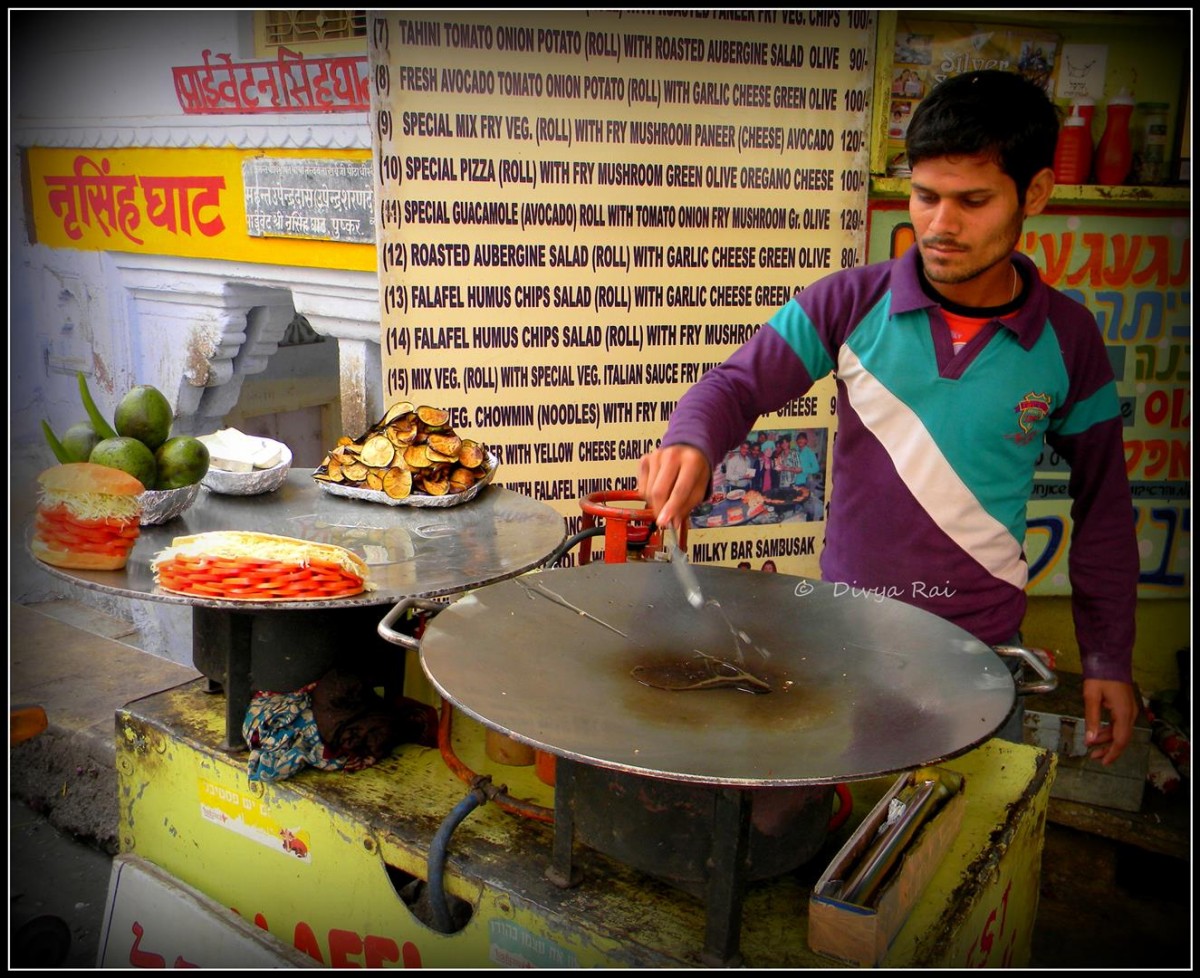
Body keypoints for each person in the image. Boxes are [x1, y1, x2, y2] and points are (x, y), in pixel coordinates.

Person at [638, 70, 1139, 765]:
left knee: (970, 846)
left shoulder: (1070, 338)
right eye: (926, 196)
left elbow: (1106, 508)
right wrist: (690, 443)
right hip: (847, 639)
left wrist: (1109, 658)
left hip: (981, 657)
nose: (940, 225)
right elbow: (734, 386)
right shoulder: (848, 303)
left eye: (973, 201)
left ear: (1037, 194)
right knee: (830, 837)